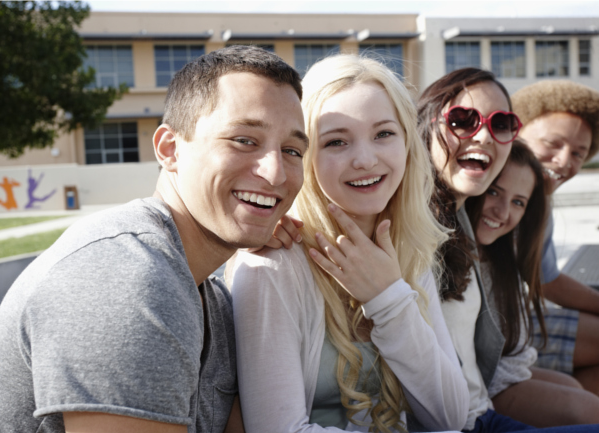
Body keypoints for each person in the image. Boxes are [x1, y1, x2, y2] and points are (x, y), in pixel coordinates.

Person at [0, 45, 309, 433]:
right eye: (244, 140)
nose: (275, 174)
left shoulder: (213, 299)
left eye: (291, 150)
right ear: (169, 150)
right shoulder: (125, 278)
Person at [230, 54, 469, 433]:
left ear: (407, 143)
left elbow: (452, 416)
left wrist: (389, 296)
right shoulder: (272, 264)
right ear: (305, 156)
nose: (364, 159)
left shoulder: (407, 251)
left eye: (384, 134)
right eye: (337, 141)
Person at [417, 67, 596, 433]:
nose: (564, 161)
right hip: (478, 403)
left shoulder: (493, 219)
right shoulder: (435, 220)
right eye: (463, 120)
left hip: (489, 389)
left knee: (580, 392)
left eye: (579, 152)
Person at [466, 139, 599, 427]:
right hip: (480, 387)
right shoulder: (458, 260)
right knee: (589, 411)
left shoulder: (501, 252)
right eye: (493, 192)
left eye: (518, 202)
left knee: (577, 389)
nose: (502, 212)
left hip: (507, 369)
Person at [511, 81, 599, 396]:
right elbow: (545, 282)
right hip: (497, 328)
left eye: (580, 152)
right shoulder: (503, 197)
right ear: (516, 132)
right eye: (553, 143)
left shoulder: (541, 199)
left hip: (514, 313)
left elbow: (545, 278)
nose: (565, 161)